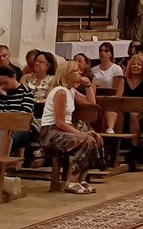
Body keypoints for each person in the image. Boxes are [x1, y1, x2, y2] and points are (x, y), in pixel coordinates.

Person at [38, 59, 103, 194]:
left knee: (97, 139)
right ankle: (72, 182)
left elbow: (91, 104)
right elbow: (60, 123)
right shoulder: (60, 92)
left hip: (63, 130)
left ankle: (82, 180)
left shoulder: (70, 91)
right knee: (86, 140)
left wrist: (88, 85)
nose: (80, 73)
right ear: (67, 75)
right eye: (76, 71)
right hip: (51, 133)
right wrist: (80, 133)